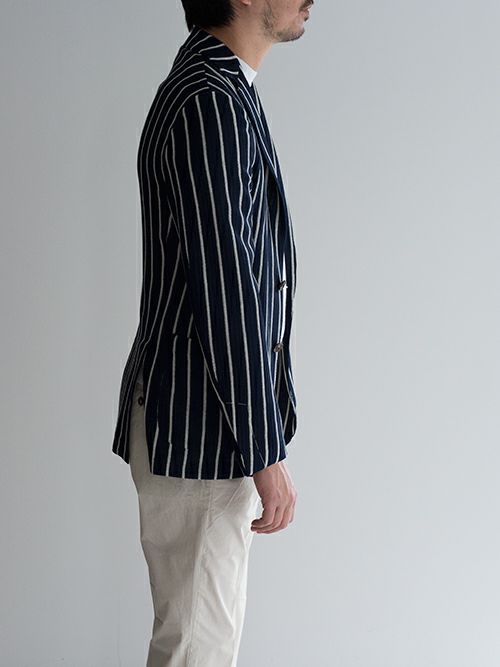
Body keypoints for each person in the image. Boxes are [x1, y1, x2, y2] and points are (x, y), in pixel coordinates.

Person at [111, 1, 312, 664]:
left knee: (199, 643)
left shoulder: (221, 90)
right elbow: (225, 290)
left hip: (203, 417)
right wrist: (264, 447)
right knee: (197, 648)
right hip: (202, 425)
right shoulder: (210, 101)